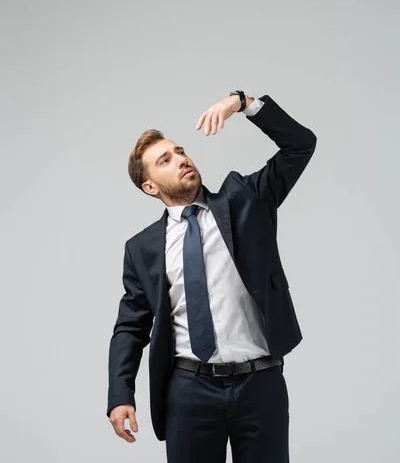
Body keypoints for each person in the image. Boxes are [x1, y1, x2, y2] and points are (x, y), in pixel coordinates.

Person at [106, 90, 317, 463]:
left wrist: (243, 102)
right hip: (189, 391)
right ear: (150, 187)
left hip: (260, 384)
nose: (181, 160)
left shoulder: (245, 200)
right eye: (165, 160)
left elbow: (300, 146)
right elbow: (131, 326)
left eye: (180, 151)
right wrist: (120, 394)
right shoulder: (143, 248)